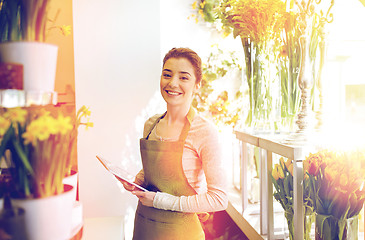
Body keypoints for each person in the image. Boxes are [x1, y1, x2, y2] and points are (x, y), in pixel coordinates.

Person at [119, 47, 228, 240]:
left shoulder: (204, 132)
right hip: (144, 226)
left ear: (197, 85)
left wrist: (162, 201)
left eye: (184, 77)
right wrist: (137, 180)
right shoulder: (151, 125)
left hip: (182, 232)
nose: (173, 83)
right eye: (167, 75)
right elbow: (154, 173)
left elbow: (219, 199)